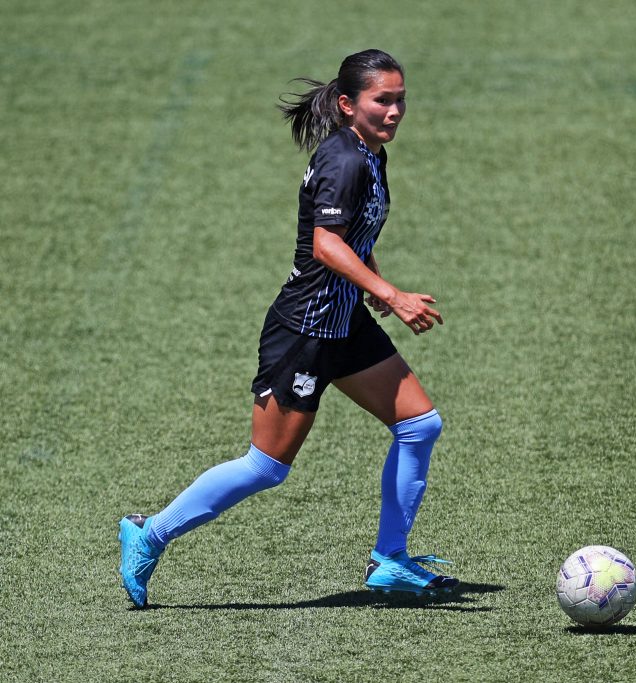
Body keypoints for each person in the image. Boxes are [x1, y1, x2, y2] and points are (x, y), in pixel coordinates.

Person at [118, 49, 457, 608]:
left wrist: (372, 282)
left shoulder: (370, 153)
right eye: (383, 100)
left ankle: (390, 560)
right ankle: (148, 532)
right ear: (349, 105)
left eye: (401, 100)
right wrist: (390, 295)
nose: (395, 111)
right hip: (304, 330)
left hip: (343, 321)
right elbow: (325, 245)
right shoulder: (345, 159)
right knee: (267, 466)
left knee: (420, 425)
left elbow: (353, 237)